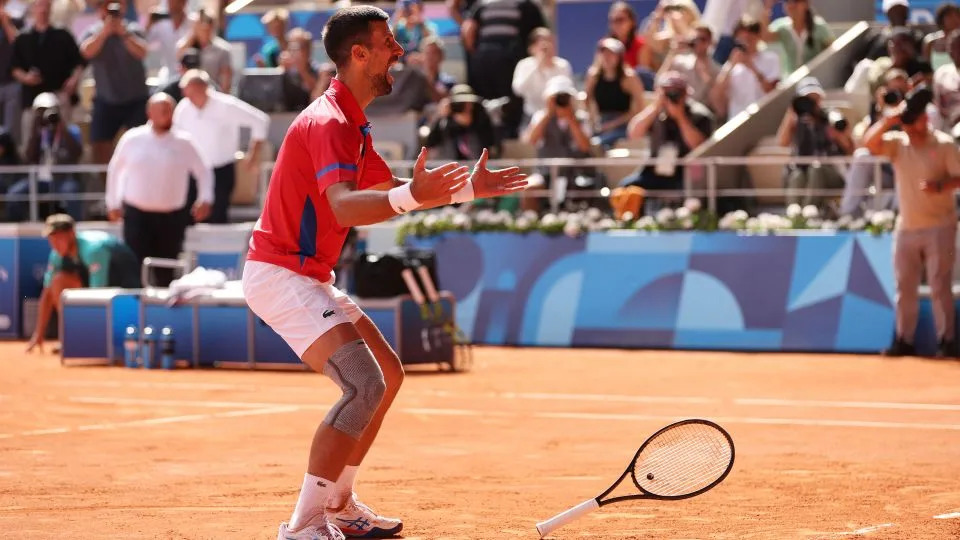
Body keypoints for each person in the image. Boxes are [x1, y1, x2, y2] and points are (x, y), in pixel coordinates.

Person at [240, 7, 527, 539]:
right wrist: (408, 196)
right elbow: (349, 207)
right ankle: (303, 525)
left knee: (387, 374)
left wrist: (466, 190)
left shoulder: (352, 124)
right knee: (364, 383)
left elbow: (393, 190)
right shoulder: (328, 122)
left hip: (306, 275)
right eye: (388, 42)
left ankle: (341, 503)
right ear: (359, 53)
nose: (399, 50)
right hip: (280, 273)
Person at [863, 85, 960, 358]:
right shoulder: (898, 143)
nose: (909, 129)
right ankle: (904, 339)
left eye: (912, 123)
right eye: (905, 125)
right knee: (904, 287)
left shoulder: (943, 145)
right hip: (906, 227)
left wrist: (940, 186)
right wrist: (888, 119)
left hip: (940, 225)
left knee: (940, 286)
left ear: (925, 120)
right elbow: (868, 144)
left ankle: (947, 341)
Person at [106, 93, 212, 287]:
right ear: (150, 112)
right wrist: (112, 203)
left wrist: (205, 198)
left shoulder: (184, 142)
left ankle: (164, 315)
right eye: (161, 110)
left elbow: (203, 170)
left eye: (169, 110)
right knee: (134, 268)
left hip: (172, 219)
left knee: (167, 271)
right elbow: (116, 170)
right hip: (137, 217)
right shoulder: (132, 138)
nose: (166, 115)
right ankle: (135, 315)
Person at [25, 213, 139, 354]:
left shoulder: (93, 250)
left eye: (59, 237)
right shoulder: (57, 255)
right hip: (100, 289)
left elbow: (97, 295)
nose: (54, 243)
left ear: (72, 233)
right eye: (51, 238)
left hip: (127, 293)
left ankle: (90, 339)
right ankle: (70, 337)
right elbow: (47, 294)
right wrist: (39, 334)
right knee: (58, 282)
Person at [174, 69, 269, 224]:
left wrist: (253, 154)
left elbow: (260, 121)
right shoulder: (183, 109)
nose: (187, 96)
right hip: (192, 173)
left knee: (217, 218)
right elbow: (177, 137)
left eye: (191, 92)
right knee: (188, 219)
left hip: (220, 171)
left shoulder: (226, 105)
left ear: (202, 88)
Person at [80, 0, 149, 165]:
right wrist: (105, 32)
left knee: (141, 143)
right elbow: (86, 52)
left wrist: (122, 33)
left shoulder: (133, 29)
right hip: (106, 100)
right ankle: (107, 187)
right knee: (99, 144)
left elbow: (142, 52)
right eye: (106, 6)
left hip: (135, 99)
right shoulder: (93, 32)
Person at [622, 72, 714, 193]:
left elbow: (699, 146)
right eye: (667, 92)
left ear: (686, 93)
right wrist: (656, 106)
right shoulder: (655, 112)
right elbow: (633, 134)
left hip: (685, 172)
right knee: (627, 189)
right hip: (654, 171)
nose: (672, 96)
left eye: (676, 92)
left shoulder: (699, 115)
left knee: (689, 192)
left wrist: (681, 117)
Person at [776, 77, 852, 209]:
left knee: (815, 169)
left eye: (815, 98)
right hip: (804, 172)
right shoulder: (796, 121)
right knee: (797, 174)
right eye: (807, 99)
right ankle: (793, 212)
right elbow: (782, 142)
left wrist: (835, 133)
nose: (812, 103)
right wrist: (792, 112)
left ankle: (809, 210)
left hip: (832, 173)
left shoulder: (830, 117)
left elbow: (849, 148)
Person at [11, 0, 84, 136]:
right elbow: (14, 67)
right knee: (31, 141)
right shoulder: (23, 37)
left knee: (63, 139)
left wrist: (73, 80)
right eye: (39, 6)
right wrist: (26, 77)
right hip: (32, 98)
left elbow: (78, 62)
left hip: (59, 94)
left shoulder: (62, 34)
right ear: (33, 9)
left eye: (46, 6)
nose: (42, 10)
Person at [6, 92, 83, 221]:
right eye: (41, 111)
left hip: (62, 179)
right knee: (14, 194)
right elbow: (28, 158)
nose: (45, 115)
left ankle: (75, 227)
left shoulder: (71, 130)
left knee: (71, 193)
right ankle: (18, 226)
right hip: (39, 180)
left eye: (49, 111)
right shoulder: (36, 132)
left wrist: (61, 127)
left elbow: (77, 153)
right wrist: (35, 131)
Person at [710, 15, 780, 121]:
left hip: (765, 118)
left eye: (750, 38)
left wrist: (752, 67)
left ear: (758, 36)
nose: (746, 42)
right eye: (742, 38)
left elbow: (772, 91)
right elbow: (716, 97)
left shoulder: (771, 59)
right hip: (738, 121)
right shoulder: (730, 66)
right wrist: (730, 66)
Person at [584, 37, 645, 148]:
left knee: (598, 144)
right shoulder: (593, 76)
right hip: (601, 123)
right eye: (603, 53)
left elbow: (638, 109)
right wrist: (593, 121)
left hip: (624, 125)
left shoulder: (629, 78)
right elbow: (587, 101)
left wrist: (613, 124)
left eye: (611, 54)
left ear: (619, 57)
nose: (607, 58)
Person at [511, 27, 573, 128]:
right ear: (531, 48)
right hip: (531, 117)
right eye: (542, 44)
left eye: (550, 41)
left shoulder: (563, 65)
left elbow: (567, 93)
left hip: (557, 119)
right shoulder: (524, 65)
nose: (547, 47)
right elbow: (518, 90)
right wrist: (538, 65)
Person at [760, 0, 833, 77]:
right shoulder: (782, 27)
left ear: (806, 4)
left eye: (795, 1)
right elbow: (765, 37)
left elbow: (831, 53)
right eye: (788, 2)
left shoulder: (819, 27)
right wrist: (768, 8)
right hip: (790, 80)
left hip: (814, 80)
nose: (791, 5)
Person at [424, 84, 496, 161]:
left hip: (476, 167)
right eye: (459, 103)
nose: (464, 106)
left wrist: (470, 124)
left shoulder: (481, 120)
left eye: (467, 102)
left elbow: (492, 142)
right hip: (453, 168)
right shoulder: (445, 123)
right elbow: (430, 142)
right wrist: (440, 116)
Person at [659, 24, 720, 109]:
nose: (697, 43)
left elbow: (718, 105)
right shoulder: (679, 62)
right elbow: (659, 82)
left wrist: (707, 79)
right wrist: (673, 53)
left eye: (702, 39)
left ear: (709, 42)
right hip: (677, 108)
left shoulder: (717, 70)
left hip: (700, 115)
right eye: (694, 39)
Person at [177, 9, 232, 92]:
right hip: (190, 91)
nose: (204, 29)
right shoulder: (187, 45)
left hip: (212, 92)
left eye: (207, 25)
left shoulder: (222, 49)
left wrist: (224, 94)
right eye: (199, 25)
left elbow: (226, 77)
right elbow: (178, 56)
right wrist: (193, 34)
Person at [145, 0, 192, 84]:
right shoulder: (161, 23)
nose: (172, 5)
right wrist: (149, 23)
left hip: (189, 76)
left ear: (184, 2)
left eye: (176, 1)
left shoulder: (193, 23)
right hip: (167, 76)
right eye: (170, 2)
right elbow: (145, 44)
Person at [923, 2, 960, 71]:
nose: (955, 19)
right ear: (941, 19)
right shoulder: (930, 41)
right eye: (950, 16)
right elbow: (927, 68)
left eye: (957, 15)